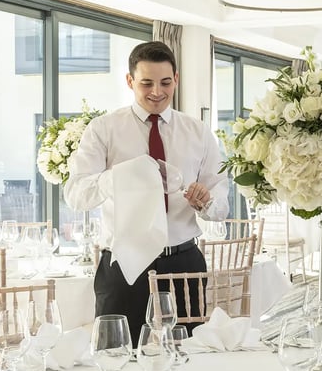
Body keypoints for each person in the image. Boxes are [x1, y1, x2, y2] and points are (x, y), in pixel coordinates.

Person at [64, 41, 229, 345]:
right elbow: (76, 194)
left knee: (190, 356)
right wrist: (122, 176)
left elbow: (221, 204)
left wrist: (206, 202)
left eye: (165, 82)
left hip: (183, 263)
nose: (157, 92)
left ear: (176, 79)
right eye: (146, 83)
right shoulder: (103, 129)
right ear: (130, 81)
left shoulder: (198, 132)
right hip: (124, 262)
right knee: (115, 353)